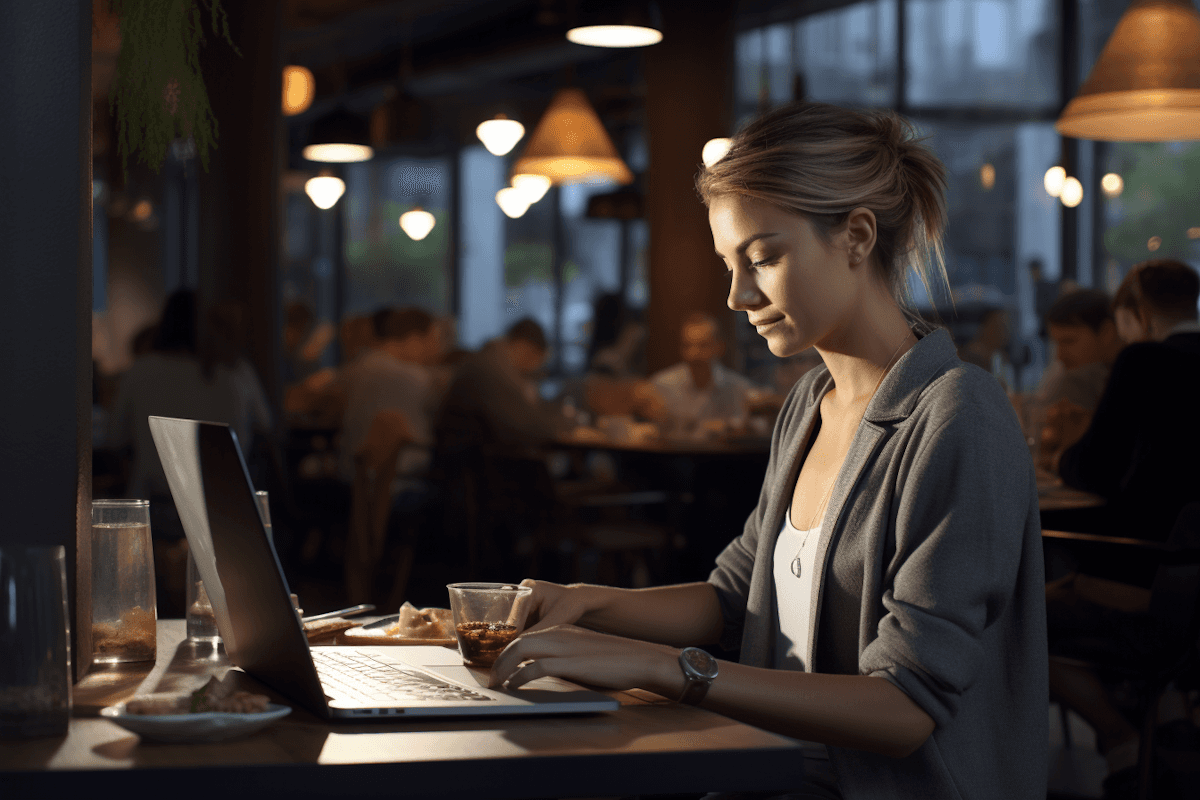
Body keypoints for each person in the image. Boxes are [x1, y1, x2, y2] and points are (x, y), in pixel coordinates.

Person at [487, 102, 1047, 800]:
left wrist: (665, 668)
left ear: (856, 236)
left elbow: (905, 709)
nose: (736, 295)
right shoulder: (809, 405)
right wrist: (583, 604)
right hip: (771, 770)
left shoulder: (958, 413)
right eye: (731, 264)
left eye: (763, 257)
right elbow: (733, 600)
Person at [1052, 259, 1200, 542]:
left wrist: (1059, 459)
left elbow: (1097, 470)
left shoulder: (1141, 359)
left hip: (1145, 552)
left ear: (1139, 316)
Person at [337, 306, 443, 485]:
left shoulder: (353, 370)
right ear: (414, 339)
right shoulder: (418, 378)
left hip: (351, 482)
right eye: (433, 341)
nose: (437, 350)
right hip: (404, 483)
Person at [649, 312, 755, 435]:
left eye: (703, 346)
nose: (693, 354)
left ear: (719, 347)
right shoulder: (661, 385)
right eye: (687, 346)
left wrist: (730, 427)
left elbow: (755, 427)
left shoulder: (740, 389)